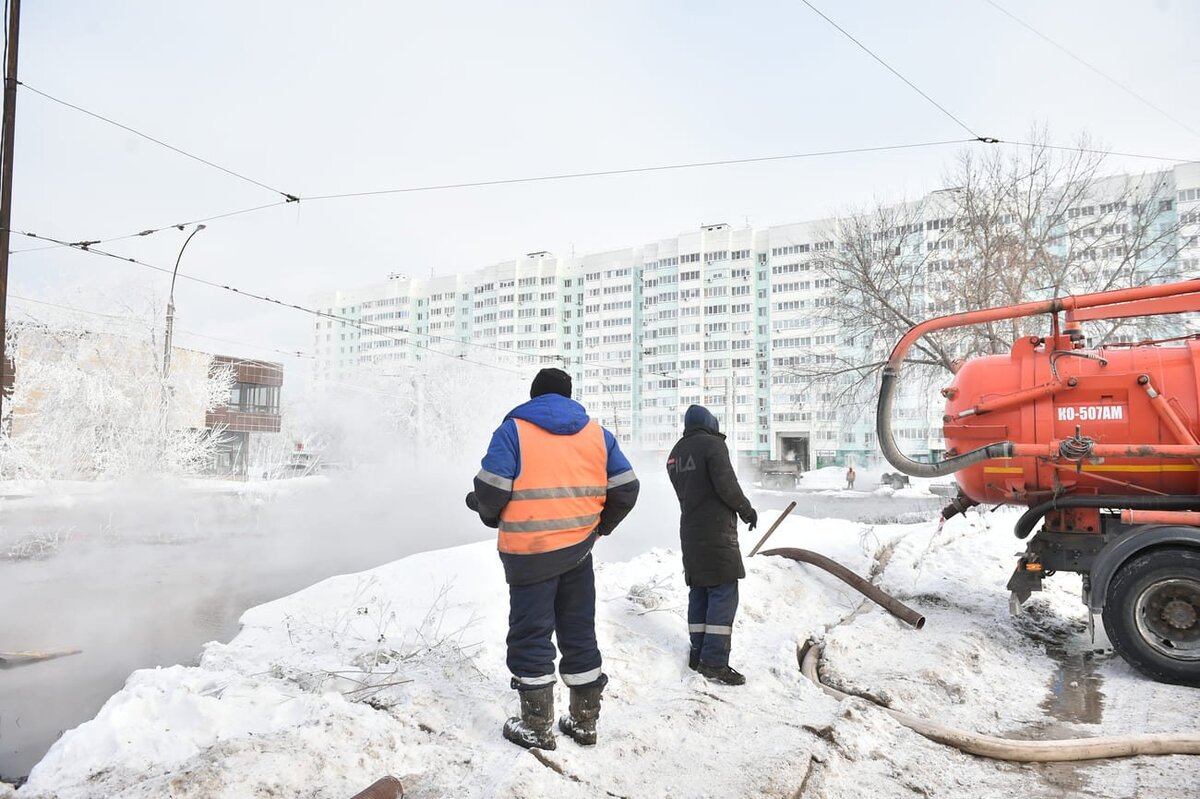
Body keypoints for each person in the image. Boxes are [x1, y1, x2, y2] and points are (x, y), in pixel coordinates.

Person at [466, 367, 639, 751]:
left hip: (530, 555)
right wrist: (598, 527)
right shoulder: (597, 434)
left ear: (534, 397)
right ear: (569, 396)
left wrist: (487, 512)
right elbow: (626, 488)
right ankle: (584, 723)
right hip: (578, 552)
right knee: (579, 633)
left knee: (531, 635)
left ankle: (537, 726)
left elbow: (491, 488)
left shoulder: (514, 430)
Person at [666, 405, 757, 686]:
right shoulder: (712, 445)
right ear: (711, 423)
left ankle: (698, 653)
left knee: (701, 589)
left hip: (690, 531)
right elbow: (726, 484)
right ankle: (715, 662)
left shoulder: (675, 453)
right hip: (716, 531)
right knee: (723, 590)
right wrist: (746, 509)